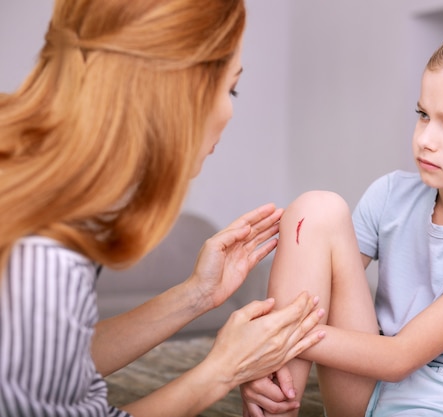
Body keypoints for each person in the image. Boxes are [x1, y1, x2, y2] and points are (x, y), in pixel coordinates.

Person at [0, 1, 327, 416]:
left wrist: (196, 295)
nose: (229, 112)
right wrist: (223, 370)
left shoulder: (41, 191)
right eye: (231, 88)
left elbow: (57, 362)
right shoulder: (45, 252)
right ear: (178, 91)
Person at [240, 30, 443, 417]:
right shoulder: (391, 193)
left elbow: (399, 358)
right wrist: (267, 356)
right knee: (317, 208)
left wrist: (270, 338)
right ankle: (273, 407)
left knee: (286, 334)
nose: (426, 139)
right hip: (367, 377)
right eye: (423, 115)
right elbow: (319, 284)